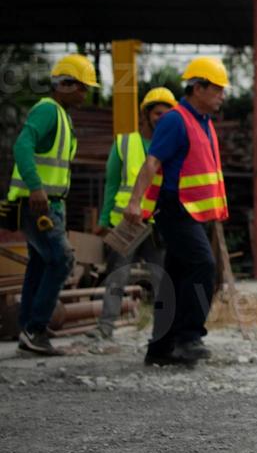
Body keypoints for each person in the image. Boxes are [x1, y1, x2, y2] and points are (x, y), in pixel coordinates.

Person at [122, 59, 229, 369]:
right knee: (202, 265)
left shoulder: (203, 121)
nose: (222, 95)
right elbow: (152, 163)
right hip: (176, 208)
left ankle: (160, 348)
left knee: (175, 277)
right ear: (198, 88)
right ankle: (188, 338)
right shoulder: (175, 120)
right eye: (217, 89)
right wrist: (134, 203)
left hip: (193, 212)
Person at [8, 53, 96, 356]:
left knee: (41, 262)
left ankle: (28, 331)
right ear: (66, 84)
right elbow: (22, 145)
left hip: (47, 205)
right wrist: (36, 188)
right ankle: (35, 329)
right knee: (61, 261)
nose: (86, 94)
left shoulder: (61, 115)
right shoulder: (48, 111)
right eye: (83, 87)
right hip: (38, 205)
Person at [91, 86, 176, 342]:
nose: (162, 118)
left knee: (162, 278)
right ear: (147, 115)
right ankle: (105, 327)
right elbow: (112, 184)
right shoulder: (124, 143)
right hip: (127, 222)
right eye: (157, 113)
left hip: (157, 223)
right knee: (118, 274)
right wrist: (105, 220)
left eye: (167, 114)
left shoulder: (174, 145)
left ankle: (163, 331)